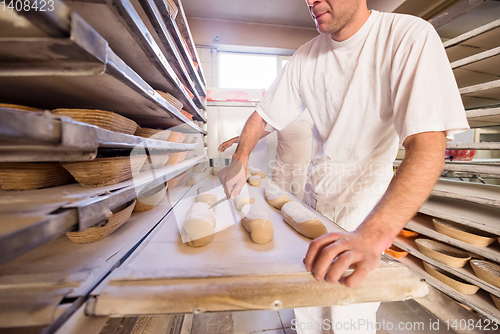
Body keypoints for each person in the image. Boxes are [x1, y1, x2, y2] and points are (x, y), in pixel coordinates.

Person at [219, 0, 469, 333]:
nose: (311, 1)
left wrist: (372, 237)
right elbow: (262, 117)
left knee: (346, 317)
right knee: (308, 308)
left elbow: (428, 147)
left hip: (365, 212)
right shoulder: (305, 56)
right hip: (315, 200)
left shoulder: (406, 36)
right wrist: (239, 160)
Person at [218, 110, 314, 200]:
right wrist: (233, 141)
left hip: (303, 170)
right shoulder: (281, 115)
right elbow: (256, 134)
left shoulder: (310, 114)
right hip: (281, 169)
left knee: (303, 205)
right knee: (277, 200)